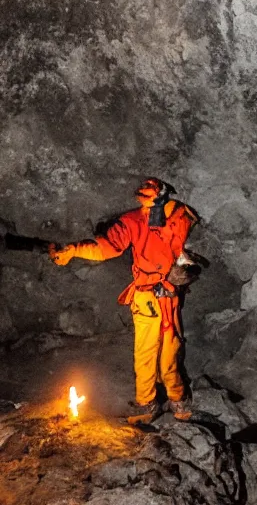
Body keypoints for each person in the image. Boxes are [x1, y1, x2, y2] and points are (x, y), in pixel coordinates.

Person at [50, 178, 200, 423]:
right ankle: (148, 403)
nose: (149, 206)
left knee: (169, 351)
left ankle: (177, 401)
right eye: (146, 200)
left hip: (169, 295)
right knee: (148, 351)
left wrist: (186, 268)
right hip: (148, 295)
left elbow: (193, 252)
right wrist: (74, 249)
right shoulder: (135, 221)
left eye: (151, 200)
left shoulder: (182, 217)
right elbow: (106, 247)